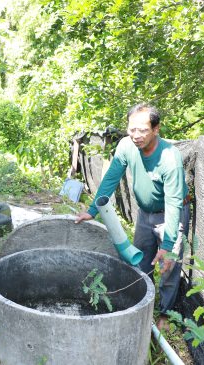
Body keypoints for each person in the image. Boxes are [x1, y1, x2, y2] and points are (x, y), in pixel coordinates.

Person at [74, 103, 190, 330]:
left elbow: (174, 202)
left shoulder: (169, 157)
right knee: (139, 260)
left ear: (156, 129)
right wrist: (92, 210)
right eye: (131, 129)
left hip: (170, 214)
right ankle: (139, 304)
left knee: (168, 266)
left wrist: (167, 244)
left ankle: (166, 314)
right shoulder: (126, 145)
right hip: (145, 213)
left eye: (143, 131)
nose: (136, 136)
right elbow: (111, 177)